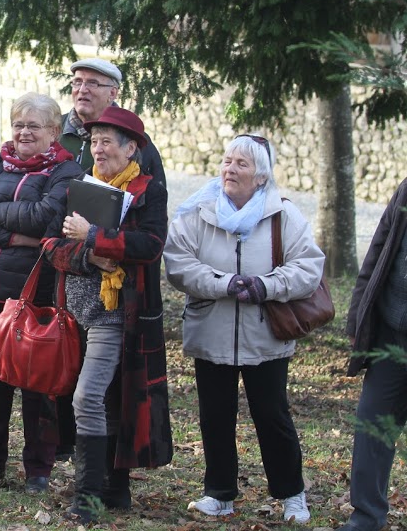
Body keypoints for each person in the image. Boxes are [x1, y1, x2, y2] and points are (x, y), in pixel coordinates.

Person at [163, 134, 324, 524]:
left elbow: (308, 267)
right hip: (211, 332)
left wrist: (264, 285)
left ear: (261, 177)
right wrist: (225, 283)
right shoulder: (199, 211)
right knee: (215, 416)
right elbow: (178, 262)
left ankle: (291, 495)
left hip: (264, 335)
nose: (230, 169)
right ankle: (219, 494)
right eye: (227, 161)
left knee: (272, 416)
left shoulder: (283, 215)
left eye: (242, 164)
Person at [41, 106, 172, 522]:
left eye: (107, 143)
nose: (98, 150)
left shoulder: (148, 190)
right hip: (72, 315)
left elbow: (150, 245)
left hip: (115, 314)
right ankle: (116, 490)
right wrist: (90, 255)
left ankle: (88, 497)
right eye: (93, 142)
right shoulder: (79, 187)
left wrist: (95, 235)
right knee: (106, 399)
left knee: (88, 397)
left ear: (131, 148)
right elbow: (49, 247)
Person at [0, 91, 81, 493]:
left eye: (35, 126)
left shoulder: (66, 172)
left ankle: (39, 469)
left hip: (34, 293)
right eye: (19, 124)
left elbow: (46, 217)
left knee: (35, 381)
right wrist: (16, 237)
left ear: (54, 132)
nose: (24, 132)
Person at [337, 177, 407, 531]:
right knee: (372, 424)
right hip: (392, 336)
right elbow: (378, 253)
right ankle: (366, 518)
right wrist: (357, 318)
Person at [58, 57, 164, 185]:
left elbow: (156, 194)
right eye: (77, 82)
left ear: (112, 93)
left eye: (92, 83)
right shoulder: (53, 128)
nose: (82, 89)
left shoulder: (134, 138)